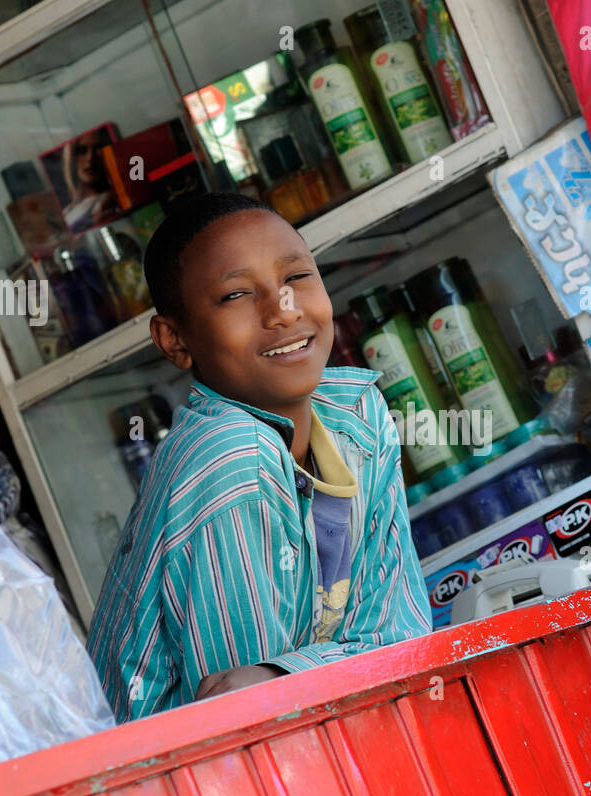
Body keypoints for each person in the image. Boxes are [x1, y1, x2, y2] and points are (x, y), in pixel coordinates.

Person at [87, 192, 432, 722]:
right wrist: (295, 677)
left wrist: (286, 674)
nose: (282, 310)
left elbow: (404, 640)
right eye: (236, 296)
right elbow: (249, 721)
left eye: (297, 278)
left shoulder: (355, 415)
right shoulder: (224, 461)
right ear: (175, 340)